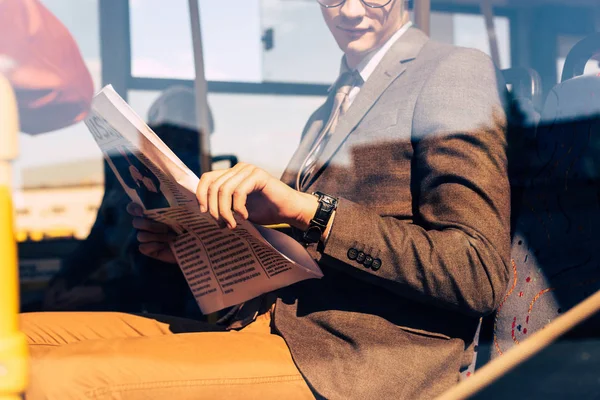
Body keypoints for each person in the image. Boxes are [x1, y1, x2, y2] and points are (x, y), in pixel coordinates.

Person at [20, 0, 511, 398]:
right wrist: (194, 247)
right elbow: (304, 254)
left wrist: (308, 209)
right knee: (21, 343)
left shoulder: (453, 72)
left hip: (358, 361)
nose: (351, 11)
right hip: (273, 326)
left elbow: (477, 272)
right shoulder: (330, 107)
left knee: (49, 380)